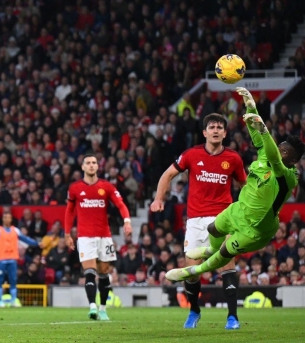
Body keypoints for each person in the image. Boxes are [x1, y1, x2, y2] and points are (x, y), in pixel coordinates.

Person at [168, 88, 305, 286]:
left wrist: (264, 129)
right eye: (279, 147)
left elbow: (273, 154)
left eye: (284, 151)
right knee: (213, 229)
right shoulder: (268, 154)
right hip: (239, 210)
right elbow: (259, 140)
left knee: (225, 252)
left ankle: (192, 271)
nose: (277, 150)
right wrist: (251, 109)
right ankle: (208, 251)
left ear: (292, 159)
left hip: (257, 229)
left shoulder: (288, 176)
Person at [151, 113, 246, 330]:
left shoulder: (233, 159)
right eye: (211, 127)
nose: (215, 130)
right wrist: (158, 199)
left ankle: (232, 317)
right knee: (192, 271)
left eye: (219, 127)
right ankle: (194, 311)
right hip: (195, 221)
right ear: (204, 132)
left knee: (227, 266)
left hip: (224, 219)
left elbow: (245, 187)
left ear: (225, 133)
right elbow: (167, 175)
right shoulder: (192, 154)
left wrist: (246, 213)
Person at [64, 154, 133, 321]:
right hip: (85, 237)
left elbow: (120, 204)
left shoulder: (106, 186)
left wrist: (127, 221)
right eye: (87, 163)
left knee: (103, 273)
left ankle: (102, 308)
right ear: (83, 167)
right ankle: (92, 307)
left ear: (97, 166)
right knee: (89, 272)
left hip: (105, 237)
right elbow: (69, 211)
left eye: (94, 162)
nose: (91, 165)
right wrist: (67, 233)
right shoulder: (75, 188)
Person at [0, 211, 40, 307]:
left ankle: (13, 300)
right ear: (3, 219)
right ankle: (0, 300)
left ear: (11, 219)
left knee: (13, 279)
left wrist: (36, 243)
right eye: (5, 217)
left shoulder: (15, 230)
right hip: (1, 258)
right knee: (0, 279)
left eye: (9, 217)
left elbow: (25, 239)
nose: (7, 219)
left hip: (12, 258)